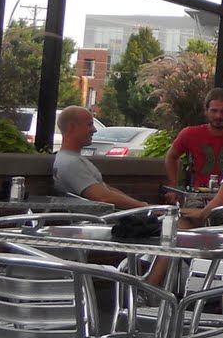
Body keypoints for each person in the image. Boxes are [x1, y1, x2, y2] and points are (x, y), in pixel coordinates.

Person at [51, 106, 163, 283]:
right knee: (177, 227)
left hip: (113, 218)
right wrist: (144, 208)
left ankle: (147, 273)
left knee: (176, 223)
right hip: (107, 223)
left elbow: (107, 190)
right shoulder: (70, 163)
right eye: (89, 124)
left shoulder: (73, 159)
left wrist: (144, 206)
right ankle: (150, 285)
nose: (94, 130)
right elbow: (103, 196)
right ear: (72, 127)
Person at [165, 87, 223, 191]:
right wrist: (173, 186)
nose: (218, 116)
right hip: (200, 194)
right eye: (214, 111)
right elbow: (171, 156)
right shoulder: (190, 133)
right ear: (206, 111)